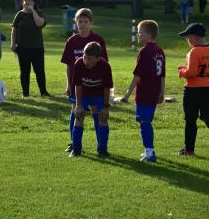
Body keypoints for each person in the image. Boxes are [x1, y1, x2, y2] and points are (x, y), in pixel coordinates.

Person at [61, 8, 108, 153]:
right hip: (78, 84)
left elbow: (104, 63)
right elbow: (69, 64)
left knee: (96, 110)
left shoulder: (98, 40)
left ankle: (100, 143)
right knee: (76, 111)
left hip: (95, 84)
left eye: (85, 21)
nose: (82, 24)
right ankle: (73, 142)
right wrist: (69, 84)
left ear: (91, 23)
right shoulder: (72, 41)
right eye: (79, 21)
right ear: (75, 23)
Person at [121, 20, 166, 163]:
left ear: (149, 35)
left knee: (143, 121)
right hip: (155, 90)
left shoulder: (145, 51)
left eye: (140, 32)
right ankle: (149, 150)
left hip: (145, 91)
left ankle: (150, 152)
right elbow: (162, 74)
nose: (137, 35)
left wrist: (127, 93)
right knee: (146, 120)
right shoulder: (159, 51)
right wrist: (162, 92)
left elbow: (137, 75)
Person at [70, 42, 113, 157]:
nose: (86, 61)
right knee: (78, 116)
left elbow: (106, 88)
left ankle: (102, 149)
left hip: (98, 95)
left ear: (98, 58)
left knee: (103, 118)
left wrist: (105, 107)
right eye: (84, 57)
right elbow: (78, 86)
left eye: (89, 59)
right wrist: (79, 106)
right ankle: (76, 149)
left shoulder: (105, 66)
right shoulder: (78, 64)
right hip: (84, 94)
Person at [177, 23, 209, 155]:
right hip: (208, 89)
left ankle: (189, 150)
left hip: (193, 90)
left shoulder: (194, 52)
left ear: (196, 37)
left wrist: (181, 71)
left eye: (188, 36)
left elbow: (191, 72)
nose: (187, 39)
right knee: (208, 117)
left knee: (190, 120)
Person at [11, 0, 51, 97]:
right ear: (22, 2)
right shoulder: (19, 14)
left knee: (39, 71)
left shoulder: (38, 13)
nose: (28, 2)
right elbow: (14, 30)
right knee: (24, 71)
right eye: (26, 0)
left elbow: (40, 24)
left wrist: (33, 11)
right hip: (22, 47)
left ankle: (43, 91)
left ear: (34, 2)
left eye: (30, 0)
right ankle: (25, 93)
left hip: (37, 47)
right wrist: (13, 43)